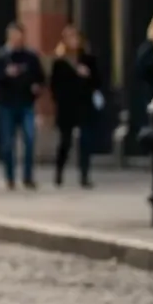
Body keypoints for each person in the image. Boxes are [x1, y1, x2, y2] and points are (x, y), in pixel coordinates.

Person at [0, 23, 45, 190]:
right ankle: (10, 177)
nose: (17, 40)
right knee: (8, 143)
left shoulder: (30, 57)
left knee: (29, 139)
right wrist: (6, 74)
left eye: (20, 37)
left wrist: (36, 87)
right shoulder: (0, 56)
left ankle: (28, 176)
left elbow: (41, 77)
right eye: (14, 37)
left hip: (26, 103)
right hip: (6, 104)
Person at [49, 25, 100, 188]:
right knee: (65, 141)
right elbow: (54, 85)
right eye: (70, 38)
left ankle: (85, 175)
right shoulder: (60, 61)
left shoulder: (88, 59)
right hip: (66, 107)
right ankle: (59, 171)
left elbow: (98, 82)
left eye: (76, 37)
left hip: (84, 104)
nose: (73, 41)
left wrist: (88, 76)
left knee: (86, 141)